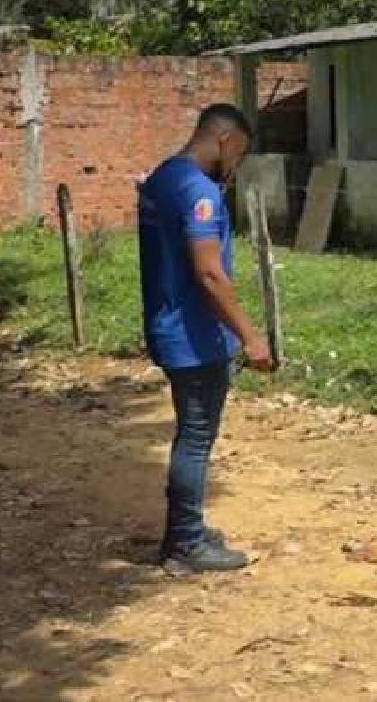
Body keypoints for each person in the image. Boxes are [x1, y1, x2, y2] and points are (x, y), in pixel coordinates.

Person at [138, 104, 275, 575]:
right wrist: (251, 336)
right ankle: (186, 543)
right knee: (196, 438)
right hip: (195, 337)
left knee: (190, 435)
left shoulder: (163, 178)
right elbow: (210, 274)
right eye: (239, 151)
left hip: (169, 327)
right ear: (224, 138)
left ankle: (184, 533)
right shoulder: (199, 192)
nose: (236, 164)